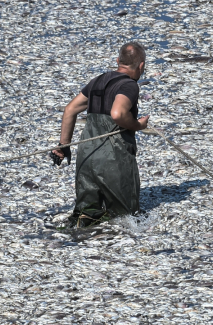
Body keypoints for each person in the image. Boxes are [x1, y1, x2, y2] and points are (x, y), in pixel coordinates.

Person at [52, 42, 149, 227]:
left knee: (85, 216)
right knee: (125, 219)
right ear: (141, 66)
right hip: (114, 158)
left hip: (86, 156)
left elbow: (70, 110)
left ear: (118, 61)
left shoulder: (98, 81)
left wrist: (63, 146)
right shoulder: (129, 85)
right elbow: (118, 114)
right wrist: (138, 125)